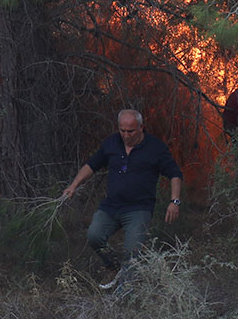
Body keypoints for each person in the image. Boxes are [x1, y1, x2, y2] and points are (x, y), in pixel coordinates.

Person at [61, 109, 183, 289]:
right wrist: (73, 185)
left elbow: (175, 174)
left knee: (133, 251)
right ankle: (113, 266)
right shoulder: (111, 143)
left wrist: (174, 202)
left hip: (138, 209)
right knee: (94, 236)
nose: (126, 135)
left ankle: (126, 292)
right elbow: (92, 165)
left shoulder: (155, 148)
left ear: (141, 127)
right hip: (111, 206)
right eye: (122, 130)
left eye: (131, 131)